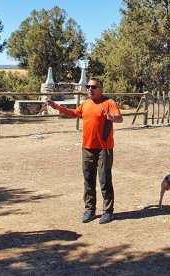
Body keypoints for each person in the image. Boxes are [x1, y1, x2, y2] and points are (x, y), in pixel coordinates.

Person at [47, 77, 123, 224]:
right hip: (87, 148)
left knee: (104, 180)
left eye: (93, 87)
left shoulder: (109, 103)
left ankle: (107, 211)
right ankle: (89, 209)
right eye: (88, 86)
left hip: (104, 149)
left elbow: (120, 118)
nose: (90, 89)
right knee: (88, 180)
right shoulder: (85, 104)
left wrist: (111, 117)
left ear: (101, 88)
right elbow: (73, 113)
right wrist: (57, 107)